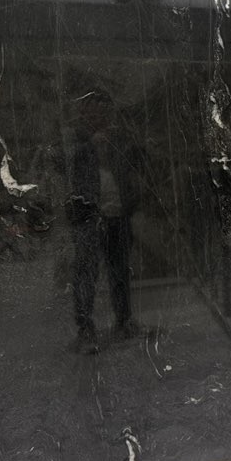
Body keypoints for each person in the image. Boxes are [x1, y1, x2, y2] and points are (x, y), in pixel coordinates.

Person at [65, 91, 140, 354]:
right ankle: (85, 330)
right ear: (84, 113)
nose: (100, 117)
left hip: (117, 213)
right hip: (89, 216)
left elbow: (131, 167)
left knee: (120, 271)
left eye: (104, 112)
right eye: (94, 112)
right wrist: (91, 146)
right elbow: (64, 165)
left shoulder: (117, 137)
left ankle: (124, 321)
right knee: (86, 274)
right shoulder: (75, 138)